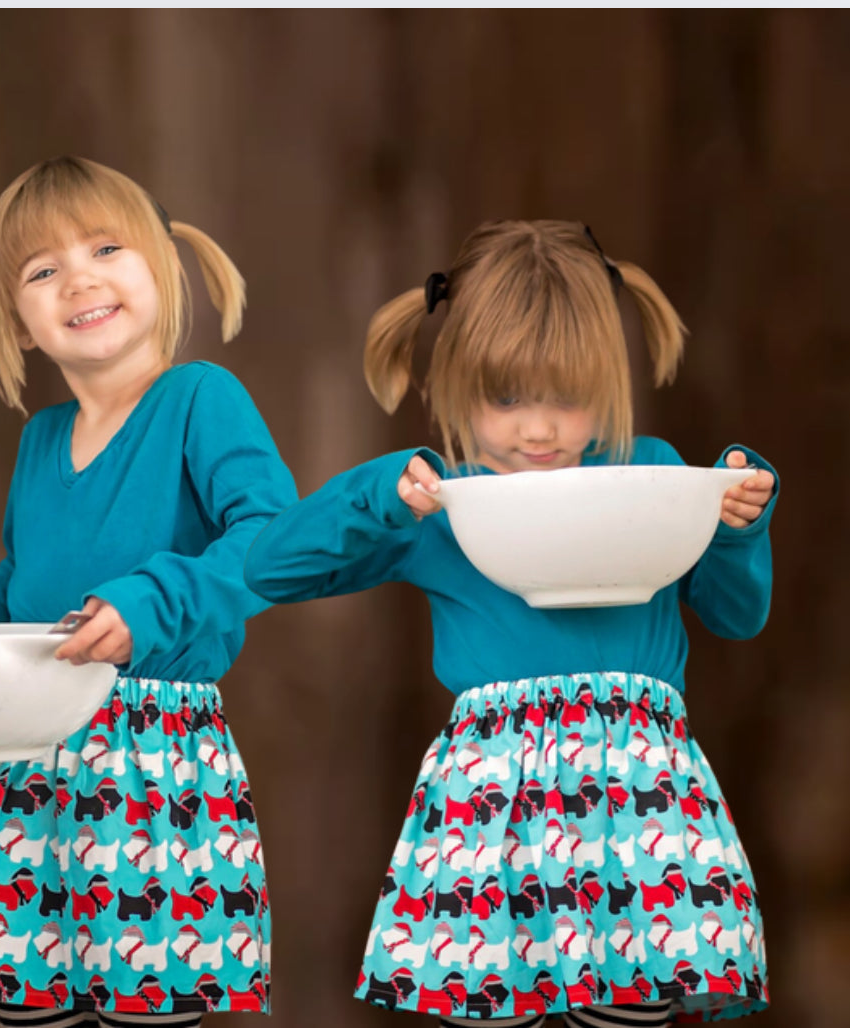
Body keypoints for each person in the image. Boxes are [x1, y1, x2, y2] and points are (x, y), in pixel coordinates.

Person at [244, 220, 777, 1027]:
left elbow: (735, 618)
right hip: (490, 814)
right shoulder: (439, 504)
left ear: (608, 378)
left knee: (628, 1008)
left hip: (635, 806)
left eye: (566, 397)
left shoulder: (654, 475)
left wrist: (735, 526)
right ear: (455, 382)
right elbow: (268, 566)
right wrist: (381, 495)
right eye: (505, 399)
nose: (538, 429)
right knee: (496, 1008)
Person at [0, 156, 297, 1028]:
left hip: (152, 766)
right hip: (30, 760)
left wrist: (150, 601)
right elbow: (23, 597)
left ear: (161, 267)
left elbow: (270, 542)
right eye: (42, 270)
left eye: (106, 247)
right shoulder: (41, 442)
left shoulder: (198, 400)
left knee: (145, 1003)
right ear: (17, 322)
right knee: (32, 1007)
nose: (79, 278)